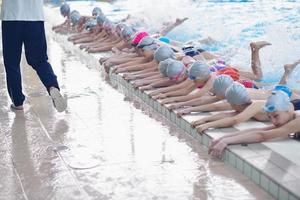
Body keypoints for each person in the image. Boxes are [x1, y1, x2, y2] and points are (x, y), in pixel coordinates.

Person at [1, 0, 67, 112]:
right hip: (34, 17)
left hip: (11, 17)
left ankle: (18, 102)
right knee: (40, 60)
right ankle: (52, 86)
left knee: (12, 62)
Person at [208, 91, 300, 157]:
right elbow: (260, 130)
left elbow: (262, 135)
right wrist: (222, 138)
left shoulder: (298, 119)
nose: (273, 122)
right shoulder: (287, 118)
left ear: (288, 110)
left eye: (276, 116)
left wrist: (226, 141)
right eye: (270, 117)